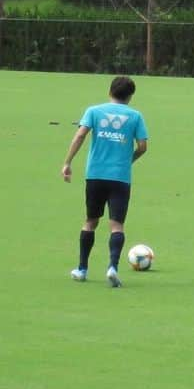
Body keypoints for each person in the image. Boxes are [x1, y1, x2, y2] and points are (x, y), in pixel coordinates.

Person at [61, 76, 149, 286]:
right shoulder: (135, 116)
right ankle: (112, 268)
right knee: (116, 225)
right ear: (130, 96)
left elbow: (80, 135)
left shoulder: (94, 111)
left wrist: (67, 162)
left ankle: (82, 269)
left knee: (91, 221)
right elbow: (143, 146)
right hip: (120, 177)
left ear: (110, 91)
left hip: (95, 174)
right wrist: (128, 161)